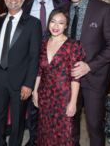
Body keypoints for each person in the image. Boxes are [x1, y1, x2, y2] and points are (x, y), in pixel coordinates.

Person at [61, 0, 110, 146]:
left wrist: (89, 65)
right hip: (68, 77)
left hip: (93, 77)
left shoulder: (104, 9)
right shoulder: (63, 10)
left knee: (94, 125)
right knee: (70, 122)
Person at [22, 0, 69, 146]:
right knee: (33, 104)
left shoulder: (64, 5)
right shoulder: (24, 6)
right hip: (32, 63)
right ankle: (34, 139)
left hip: (57, 64)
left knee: (56, 105)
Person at [0, 0, 42, 146]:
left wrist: (29, 84)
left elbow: (35, 57)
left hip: (20, 80)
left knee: (18, 117)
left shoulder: (33, 23)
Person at [32, 8, 86, 145]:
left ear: (66, 25)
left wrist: (73, 102)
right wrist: (35, 92)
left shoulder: (73, 45)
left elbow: (75, 77)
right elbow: (39, 71)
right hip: (45, 94)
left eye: (61, 23)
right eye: (53, 21)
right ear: (48, 23)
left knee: (63, 132)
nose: (56, 26)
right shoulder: (42, 44)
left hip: (63, 96)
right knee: (45, 130)